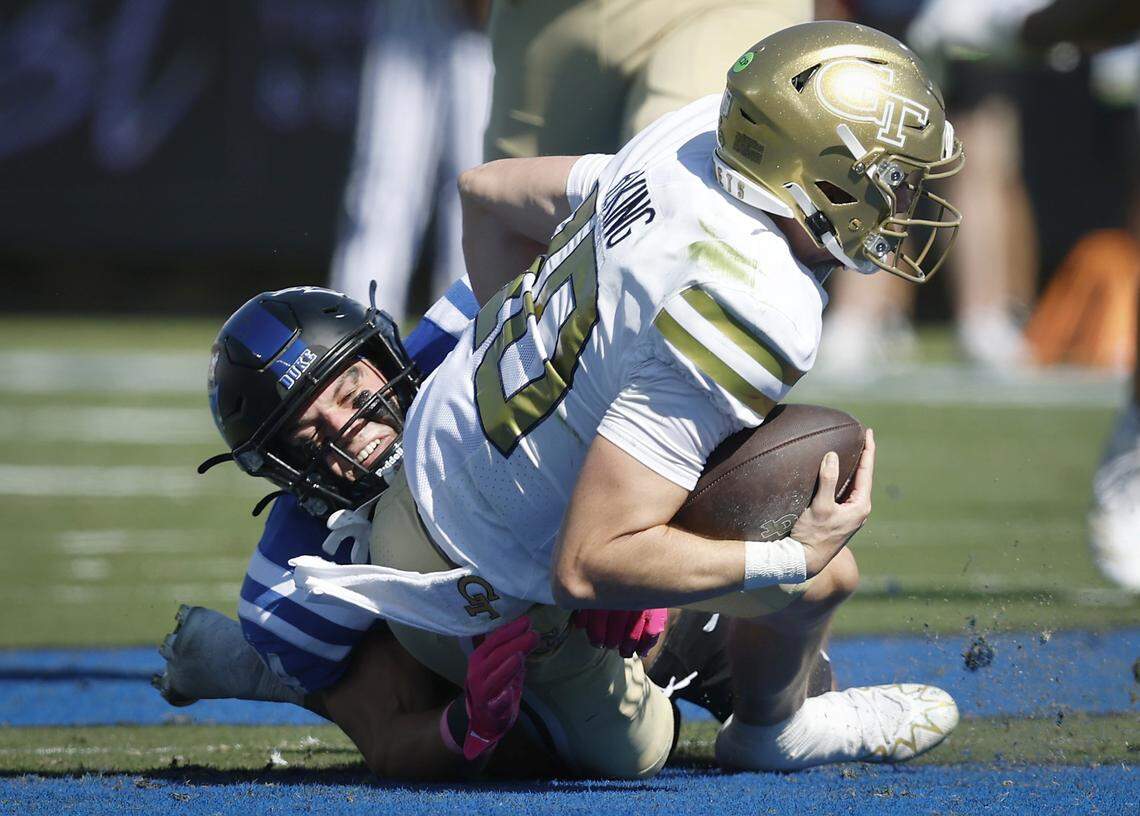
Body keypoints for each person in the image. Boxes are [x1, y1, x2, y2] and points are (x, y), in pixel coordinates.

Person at [276, 21, 963, 771]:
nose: (900, 198)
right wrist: (788, 559)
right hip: (470, 590)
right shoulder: (757, 301)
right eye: (884, 177)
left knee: (714, 535)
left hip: (430, 461)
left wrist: (542, 408)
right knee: (792, 601)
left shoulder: (696, 140)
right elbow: (588, 563)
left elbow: (487, 194)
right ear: (811, 173)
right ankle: (770, 733)